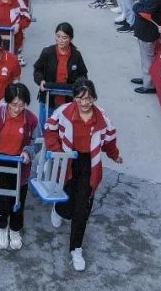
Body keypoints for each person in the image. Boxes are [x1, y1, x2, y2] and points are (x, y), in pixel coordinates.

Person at [45, 78, 122, 272]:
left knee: (82, 209)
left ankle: (76, 248)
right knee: (67, 205)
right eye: (80, 99)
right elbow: (49, 130)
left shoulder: (103, 118)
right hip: (68, 161)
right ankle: (58, 209)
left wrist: (115, 155)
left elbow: (110, 141)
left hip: (90, 164)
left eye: (88, 98)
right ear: (74, 99)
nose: (85, 103)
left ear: (94, 98)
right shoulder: (62, 113)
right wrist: (57, 150)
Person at [0, 82, 40, 257]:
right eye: (14, 104)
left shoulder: (31, 119)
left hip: (19, 164)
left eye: (21, 105)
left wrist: (28, 153)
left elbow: (36, 142)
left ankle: (15, 230)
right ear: (7, 102)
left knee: (18, 200)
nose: (17, 108)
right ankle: (2, 226)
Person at [129, 0, 161, 94]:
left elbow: (145, 11)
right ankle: (146, 77)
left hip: (147, 30)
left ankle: (149, 84)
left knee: (147, 57)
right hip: (145, 29)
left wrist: (135, 6)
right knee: (145, 56)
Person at [32, 23, 88, 108]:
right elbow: (37, 70)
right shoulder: (47, 52)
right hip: (48, 98)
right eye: (58, 36)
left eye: (64, 38)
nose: (61, 40)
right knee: (46, 121)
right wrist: (41, 81)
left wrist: (79, 87)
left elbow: (83, 75)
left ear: (71, 38)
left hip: (69, 100)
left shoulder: (76, 55)